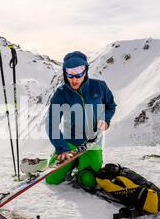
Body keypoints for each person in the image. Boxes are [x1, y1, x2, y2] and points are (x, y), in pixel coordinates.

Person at [45, 51, 117, 189]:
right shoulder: (61, 94)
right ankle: (63, 160)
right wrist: (61, 148)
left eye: (79, 73)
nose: (74, 79)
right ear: (65, 73)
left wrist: (106, 120)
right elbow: (52, 122)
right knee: (52, 179)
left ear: (85, 71)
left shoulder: (99, 87)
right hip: (69, 142)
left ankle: (79, 163)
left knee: (88, 181)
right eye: (70, 74)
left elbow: (111, 105)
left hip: (92, 143)